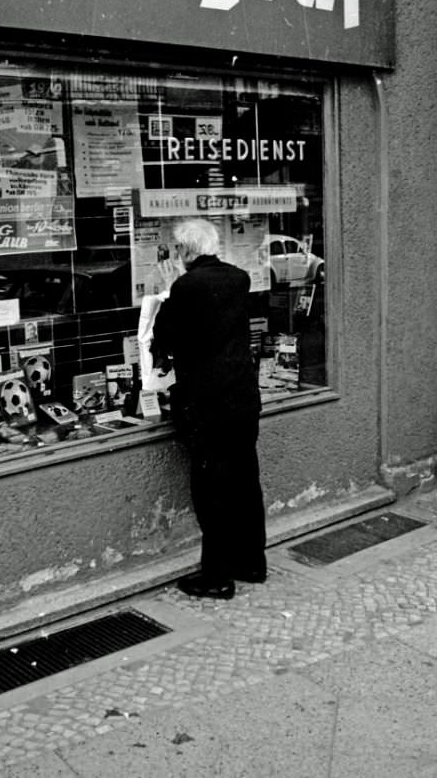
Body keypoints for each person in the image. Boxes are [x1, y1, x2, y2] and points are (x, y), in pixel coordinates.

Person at [152, 217, 267, 600]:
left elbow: (165, 334)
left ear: (185, 251)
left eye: (177, 249)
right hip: (242, 398)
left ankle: (217, 576)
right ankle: (252, 562)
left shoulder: (186, 286)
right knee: (245, 481)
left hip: (209, 404)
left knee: (212, 490)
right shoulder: (239, 278)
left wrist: (170, 290)